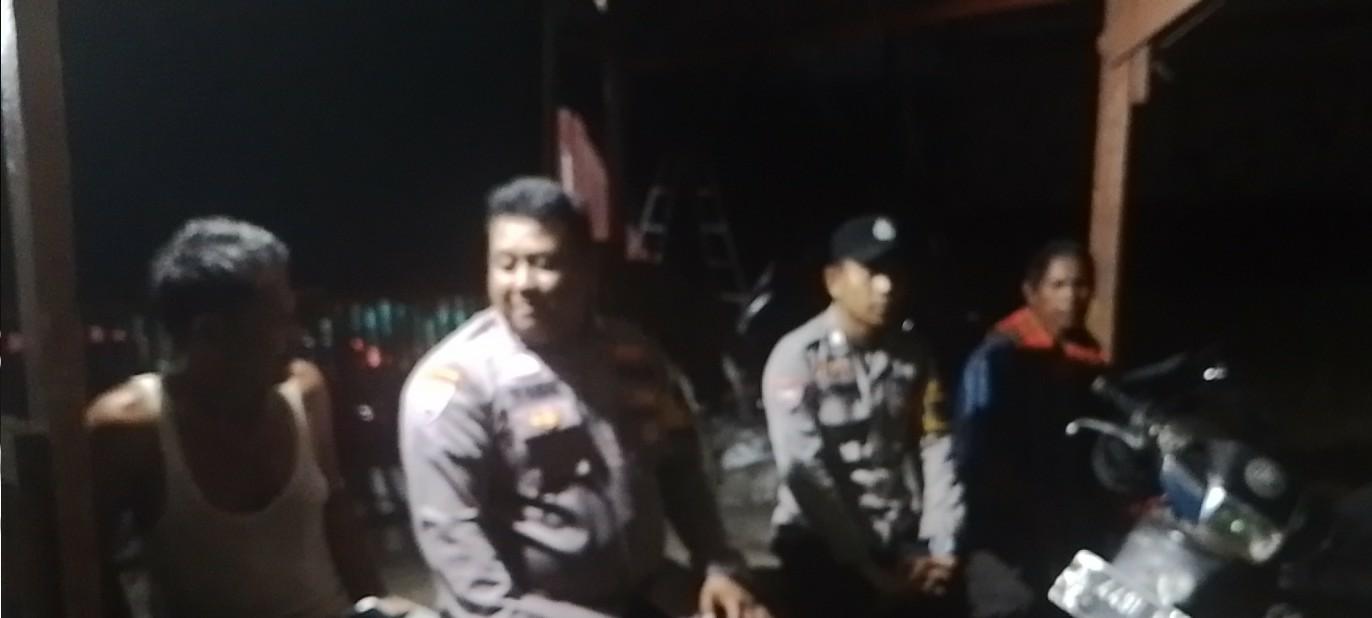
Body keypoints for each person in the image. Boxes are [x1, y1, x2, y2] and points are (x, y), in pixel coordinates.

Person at [399, 177, 767, 618]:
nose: (523, 283)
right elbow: (465, 567)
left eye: (544, 263)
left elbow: (680, 470)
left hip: (643, 595)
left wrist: (717, 564)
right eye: (506, 264)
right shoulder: (458, 386)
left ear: (587, 268)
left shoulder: (633, 355)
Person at [86, 217, 392, 617]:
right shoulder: (129, 428)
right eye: (279, 320)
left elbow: (336, 512)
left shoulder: (305, 392)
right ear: (210, 333)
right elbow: (88, 566)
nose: (297, 336)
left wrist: (380, 605)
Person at [761, 215, 965, 618]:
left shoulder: (914, 355)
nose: (886, 287)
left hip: (896, 531)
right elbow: (806, 472)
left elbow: (936, 445)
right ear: (834, 280)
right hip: (823, 539)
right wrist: (866, 570)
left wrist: (940, 543)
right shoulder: (799, 358)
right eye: (871, 272)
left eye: (894, 272)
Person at [952, 240, 1113, 617]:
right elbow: (971, 449)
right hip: (1007, 533)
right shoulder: (999, 357)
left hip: (1068, 526)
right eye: (1058, 285)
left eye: (1080, 285)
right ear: (1031, 291)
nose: (1071, 297)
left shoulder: (1088, 357)